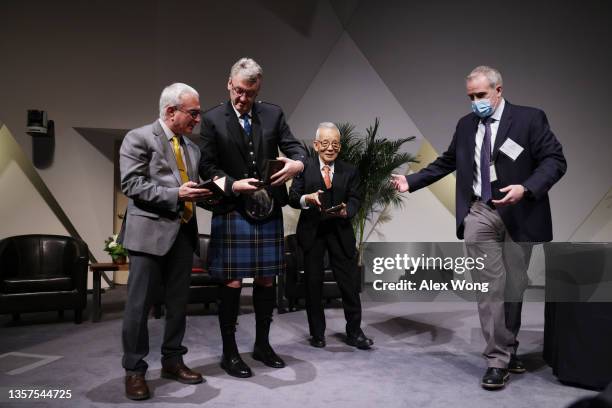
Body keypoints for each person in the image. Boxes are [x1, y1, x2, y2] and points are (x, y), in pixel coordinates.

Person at [391, 66, 566, 390]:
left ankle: (509, 348)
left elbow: (555, 160)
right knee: (489, 289)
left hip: (519, 211)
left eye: (481, 95)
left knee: (513, 287)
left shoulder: (530, 119)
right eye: (470, 97)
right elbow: (446, 162)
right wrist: (411, 180)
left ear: (498, 90)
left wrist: (526, 188)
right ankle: (497, 359)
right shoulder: (466, 125)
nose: (475, 103)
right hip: (480, 212)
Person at [199, 58, 306, 378]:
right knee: (231, 281)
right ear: (229, 84)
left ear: (258, 90)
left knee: (266, 279)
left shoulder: (272, 113)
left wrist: (297, 164)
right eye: (238, 90)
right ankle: (229, 353)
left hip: (268, 208)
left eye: (250, 93)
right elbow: (206, 167)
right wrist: (233, 185)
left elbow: (295, 148)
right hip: (233, 209)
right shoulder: (213, 119)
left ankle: (262, 344)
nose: (243, 98)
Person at [119, 83, 213, 400]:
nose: (198, 119)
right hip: (147, 237)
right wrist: (177, 194)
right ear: (171, 111)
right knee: (138, 307)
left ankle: (173, 360)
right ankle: (134, 370)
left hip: (183, 236)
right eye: (194, 113)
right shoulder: (138, 138)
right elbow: (131, 184)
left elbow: (193, 190)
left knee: (177, 306)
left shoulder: (194, 149)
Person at [288, 122, 373, 350]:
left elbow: (356, 197)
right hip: (312, 234)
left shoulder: (350, 170)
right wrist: (308, 198)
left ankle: (355, 332)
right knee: (313, 286)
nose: (330, 148)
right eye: (325, 143)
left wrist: (349, 210)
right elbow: (292, 196)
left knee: (349, 285)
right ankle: (317, 334)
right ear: (316, 145)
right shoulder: (304, 167)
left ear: (340, 147)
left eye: (334, 143)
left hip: (340, 233)